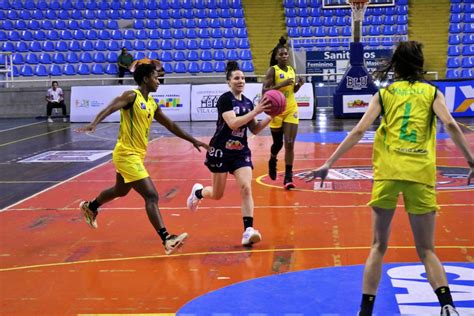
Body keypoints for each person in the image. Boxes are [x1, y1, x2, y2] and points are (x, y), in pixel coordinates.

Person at [303, 41, 473, 316]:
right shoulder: (431, 92)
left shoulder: (386, 94)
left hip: (388, 174)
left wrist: (328, 163)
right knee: (427, 249)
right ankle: (448, 306)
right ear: (419, 63)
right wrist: (471, 161)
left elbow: (358, 131)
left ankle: (365, 311)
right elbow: (451, 125)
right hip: (420, 175)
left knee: (378, 246)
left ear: (396, 64)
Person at [76, 63, 209, 255]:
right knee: (151, 195)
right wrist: (93, 123)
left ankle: (91, 206)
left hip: (136, 155)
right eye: (156, 77)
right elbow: (112, 106)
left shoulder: (152, 104)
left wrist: (193, 140)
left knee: (120, 190)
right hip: (126, 154)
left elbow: (170, 125)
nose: (158, 81)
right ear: (146, 78)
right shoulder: (132, 96)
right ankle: (167, 239)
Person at [186, 61, 272, 246]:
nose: (240, 81)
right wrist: (256, 110)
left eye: (242, 78)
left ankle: (248, 231)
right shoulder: (225, 99)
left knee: (246, 188)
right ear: (229, 82)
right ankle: (199, 192)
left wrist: (271, 117)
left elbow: (255, 129)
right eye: (236, 78)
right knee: (217, 194)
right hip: (220, 151)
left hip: (240, 152)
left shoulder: (248, 103)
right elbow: (233, 123)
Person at [263, 36, 305, 190]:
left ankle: (288, 176)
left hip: (291, 109)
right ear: (276, 56)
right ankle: (272, 159)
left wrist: (298, 86)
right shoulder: (272, 71)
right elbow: (264, 91)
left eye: (286, 54)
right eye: (281, 54)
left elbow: (292, 90)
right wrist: (280, 84)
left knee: (289, 143)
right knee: (278, 144)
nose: (284, 56)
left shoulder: (292, 70)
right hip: (276, 111)